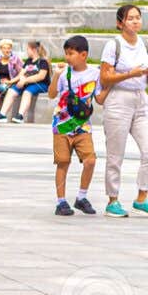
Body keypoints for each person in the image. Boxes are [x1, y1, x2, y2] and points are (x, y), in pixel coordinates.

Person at [98, 3, 148, 216]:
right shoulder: (113, 45)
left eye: (138, 17)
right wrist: (130, 74)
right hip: (119, 100)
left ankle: (141, 197)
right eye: (131, 18)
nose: (136, 21)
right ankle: (113, 200)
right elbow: (104, 77)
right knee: (115, 154)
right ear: (120, 23)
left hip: (140, 100)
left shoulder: (142, 43)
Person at [49, 36, 99, 216]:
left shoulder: (95, 74)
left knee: (90, 160)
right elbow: (51, 94)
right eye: (66, 53)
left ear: (83, 55)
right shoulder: (63, 73)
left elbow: (99, 98)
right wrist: (55, 75)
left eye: (71, 53)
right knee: (63, 163)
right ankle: (61, 202)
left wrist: (110, 84)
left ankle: (81, 197)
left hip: (83, 126)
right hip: (61, 126)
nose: (67, 57)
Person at [0, 41, 50, 123]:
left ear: (33, 50)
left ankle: (20, 116)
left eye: (27, 49)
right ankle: (2, 115)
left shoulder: (42, 61)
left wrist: (25, 80)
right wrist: (10, 82)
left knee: (27, 92)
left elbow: (41, 76)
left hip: (41, 85)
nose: (27, 51)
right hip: (27, 83)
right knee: (12, 90)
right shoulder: (28, 61)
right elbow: (20, 74)